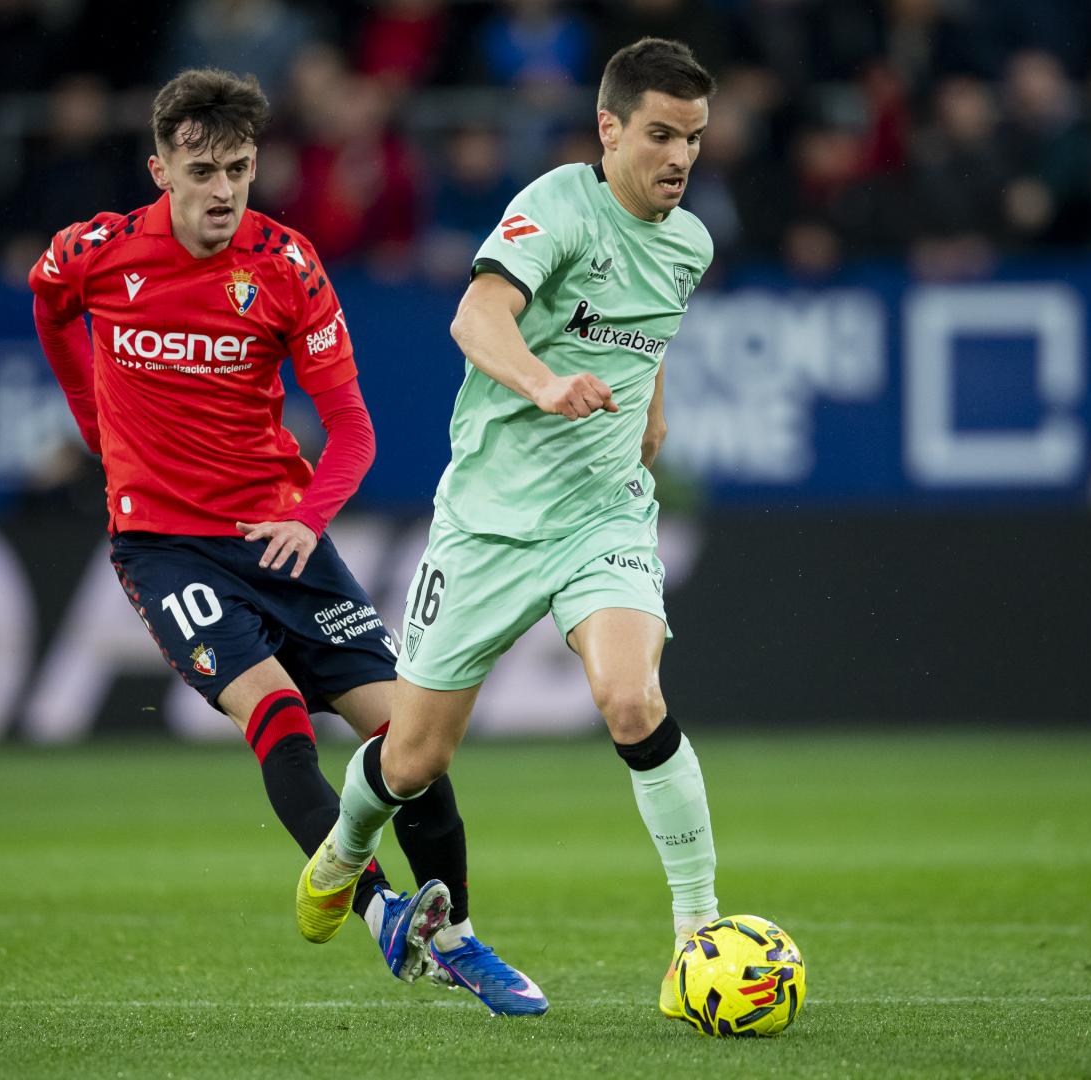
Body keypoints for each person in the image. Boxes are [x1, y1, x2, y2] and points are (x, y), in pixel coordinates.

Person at [26, 69, 532, 1003]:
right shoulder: (96, 252)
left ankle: (457, 936)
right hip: (165, 543)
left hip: (281, 537)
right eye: (204, 169)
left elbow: (354, 431)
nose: (224, 190)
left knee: (414, 743)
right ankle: (382, 910)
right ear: (161, 170)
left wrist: (305, 520)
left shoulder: (286, 265)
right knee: (278, 714)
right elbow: (49, 300)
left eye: (242, 169)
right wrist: (94, 421)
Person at [296, 38, 722, 1022]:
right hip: (488, 525)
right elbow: (476, 317)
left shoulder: (690, 243)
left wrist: (650, 408)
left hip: (602, 518)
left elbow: (645, 328)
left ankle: (697, 933)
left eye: (693, 139)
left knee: (630, 699)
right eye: (660, 134)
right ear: (610, 129)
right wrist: (541, 383)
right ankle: (348, 844)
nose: (679, 158)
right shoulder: (556, 206)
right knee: (413, 759)